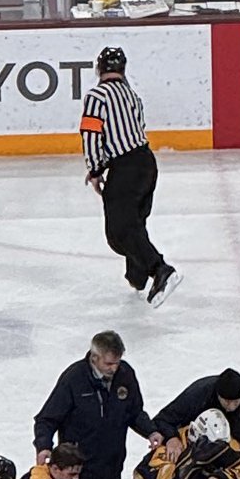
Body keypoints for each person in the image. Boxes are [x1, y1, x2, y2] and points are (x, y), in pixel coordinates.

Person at [79, 46, 181, 308]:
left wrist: (95, 169)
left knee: (120, 230)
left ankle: (159, 269)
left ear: (99, 68)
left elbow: (91, 134)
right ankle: (137, 275)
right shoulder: (132, 95)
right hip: (146, 164)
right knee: (134, 223)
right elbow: (138, 128)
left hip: (125, 168)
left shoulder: (96, 95)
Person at [33, 331, 162, 479]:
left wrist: (151, 431)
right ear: (94, 357)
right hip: (80, 471)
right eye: (108, 363)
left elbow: (133, 412)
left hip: (111, 467)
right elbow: (47, 419)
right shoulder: (74, 378)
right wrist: (43, 445)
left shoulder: (125, 374)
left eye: (116, 363)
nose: (114, 368)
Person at [154, 368, 240, 462]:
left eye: (236, 402)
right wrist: (171, 438)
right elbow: (162, 419)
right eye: (226, 402)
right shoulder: (199, 393)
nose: (231, 407)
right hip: (194, 450)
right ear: (217, 394)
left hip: (232, 447)